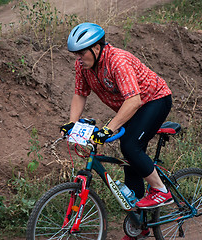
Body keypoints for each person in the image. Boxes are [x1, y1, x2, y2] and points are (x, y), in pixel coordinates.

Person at [60, 22, 173, 239]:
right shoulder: (83, 66)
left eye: (82, 53)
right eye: (76, 54)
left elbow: (134, 100)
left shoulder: (117, 61)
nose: (78, 58)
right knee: (130, 161)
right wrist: (72, 123)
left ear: (96, 48)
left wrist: (108, 129)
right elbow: (80, 94)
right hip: (131, 107)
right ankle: (140, 224)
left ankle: (161, 190)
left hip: (154, 100)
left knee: (130, 146)